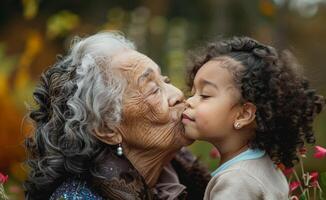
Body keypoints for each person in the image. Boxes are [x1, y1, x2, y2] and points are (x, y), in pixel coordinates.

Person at [24, 32, 210, 200]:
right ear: (107, 128)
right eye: (154, 90)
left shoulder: (184, 179)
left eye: (165, 80)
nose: (178, 94)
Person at [182, 36, 325, 199]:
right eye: (192, 93)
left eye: (205, 95)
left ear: (243, 115)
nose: (188, 102)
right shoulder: (264, 167)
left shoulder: (237, 182)